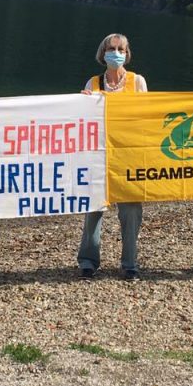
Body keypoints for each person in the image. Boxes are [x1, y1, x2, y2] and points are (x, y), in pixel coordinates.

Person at [77, 33, 149, 280]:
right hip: (99, 156)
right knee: (93, 209)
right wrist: (81, 103)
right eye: (111, 48)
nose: (116, 53)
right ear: (103, 52)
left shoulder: (138, 82)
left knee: (131, 211)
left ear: (127, 54)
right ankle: (88, 260)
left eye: (120, 49)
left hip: (128, 155)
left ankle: (130, 263)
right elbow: (82, 120)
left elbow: (147, 116)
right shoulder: (93, 83)